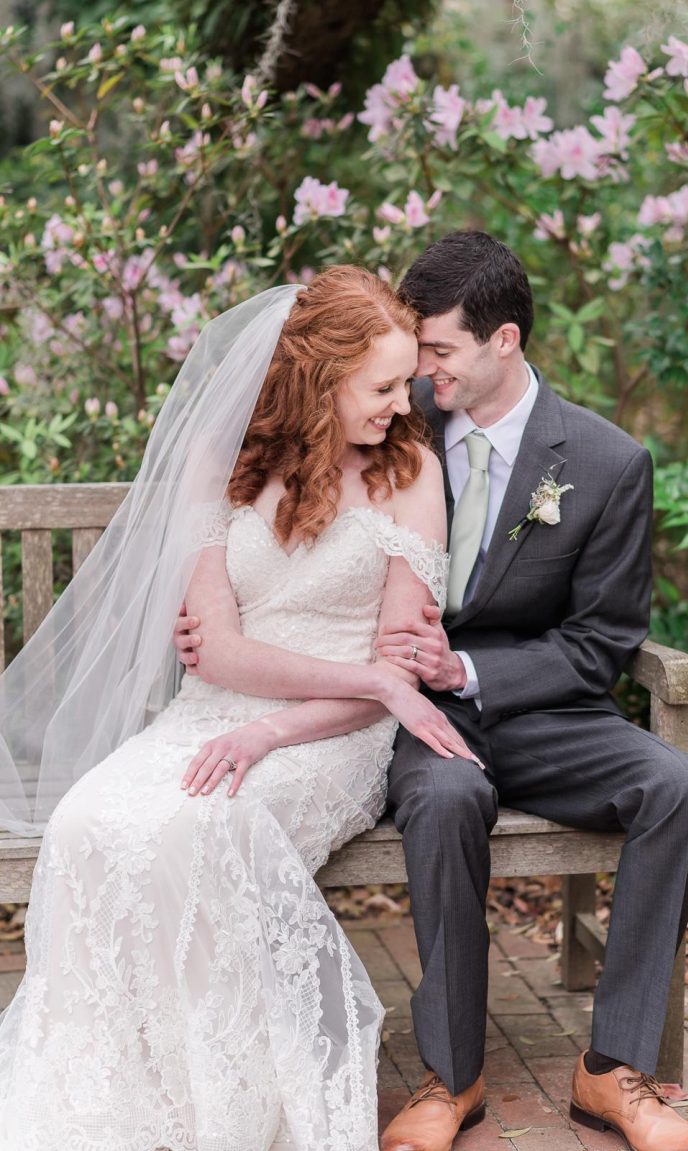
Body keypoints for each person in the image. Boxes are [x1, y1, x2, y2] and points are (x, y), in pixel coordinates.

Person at [175, 233, 688, 1151]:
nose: (419, 373)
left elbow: (601, 644)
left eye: (438, 351)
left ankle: (613, 1071)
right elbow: (281, 497)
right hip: (405, 722)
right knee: (450, 798)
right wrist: (215, 627)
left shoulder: (606, 460)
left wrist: (463, 669)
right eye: (412, 355)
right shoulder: (394, 418)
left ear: (503, 341)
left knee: (683, 786)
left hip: (541, 709)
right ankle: (453, 1078)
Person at [0, 265, 481, 1151]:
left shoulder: (408, 473)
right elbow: (215, 648)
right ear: (318, 378)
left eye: (405, 380)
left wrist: (301, 715)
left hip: (330, 736)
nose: (400, 403)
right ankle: (131, 1083)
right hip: (210, 709)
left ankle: (234, 1094)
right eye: (380, 386)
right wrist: (371, 678)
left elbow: (393, 668)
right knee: (86, 823)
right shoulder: (222, 463)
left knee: (204, 829)